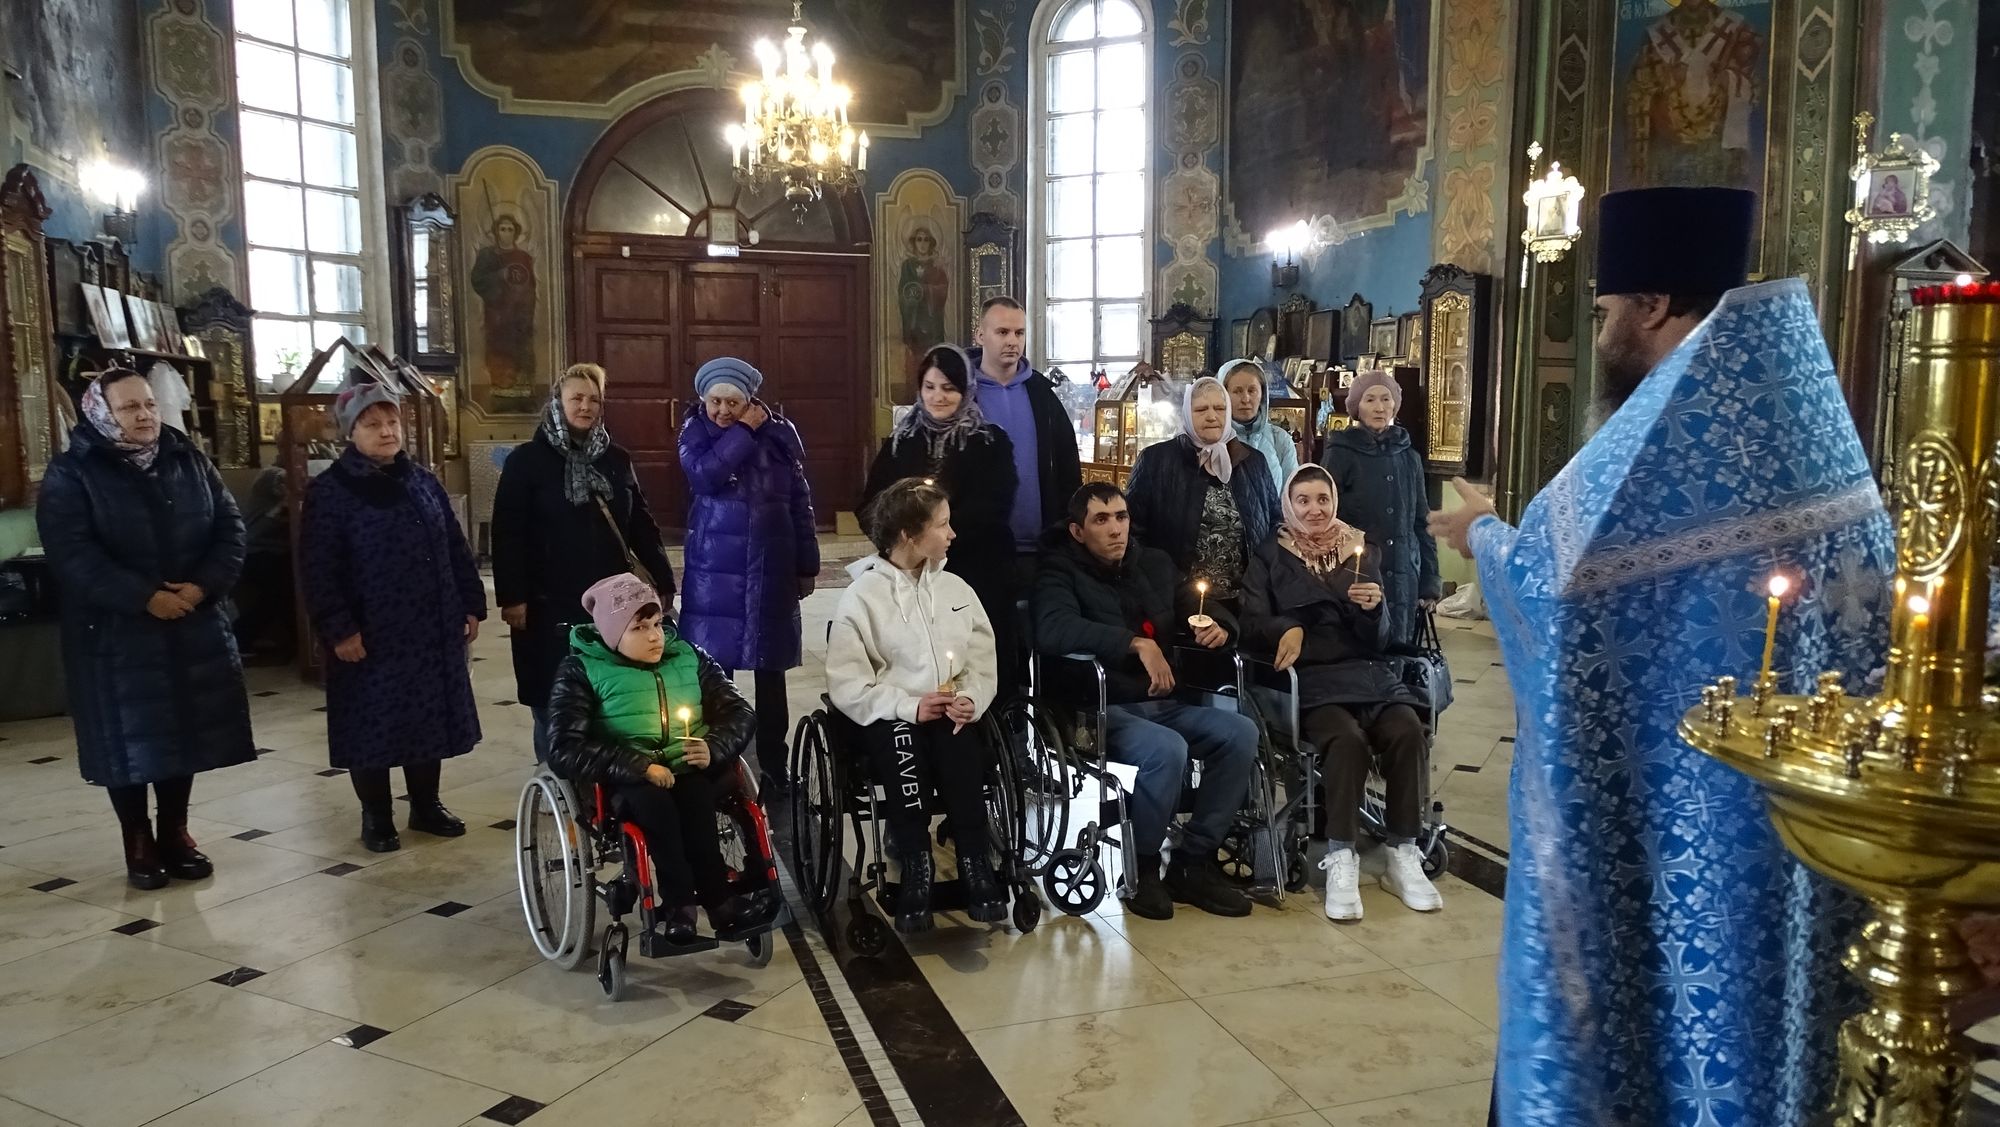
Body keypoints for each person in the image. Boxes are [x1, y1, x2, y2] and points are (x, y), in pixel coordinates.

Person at [1428, 187, 1894, 1126]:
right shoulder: (1796, 407)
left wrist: (1483, 536)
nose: (1599, 332)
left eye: (1604, 311)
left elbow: (1556, 594)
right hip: (1811, 818)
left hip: (1683, 802)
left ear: (1651, 305)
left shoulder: (1671, 430)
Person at [36, 368, 255, 889]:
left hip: (191, 623)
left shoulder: (187, 458)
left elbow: (230, 528)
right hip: (116, 634)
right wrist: (144, 598)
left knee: (184, 732)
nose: (145, 415)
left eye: (150, 404)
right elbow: (72, 554)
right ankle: (137, 839)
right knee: (128, 739)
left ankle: (175, 831)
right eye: (129, 407)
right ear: (100, 414)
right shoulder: (73, 472)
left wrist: (201, 588)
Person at [1033, 482, 1257, 921]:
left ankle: (1194, 860)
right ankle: (1145, 866)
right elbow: (1053, 629)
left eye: (1121, 517)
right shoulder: (1058, 571)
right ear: (1078, 531)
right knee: (1166, 749)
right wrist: (1134, 643)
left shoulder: (1151, 563)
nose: (1116, 529)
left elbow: (1196, 598)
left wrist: (1219, 625)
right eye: (1101, 520)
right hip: (1096, 708)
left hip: (1162, 701)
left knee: (1240, 732)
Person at [1240, 465, 1440, 921]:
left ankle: (1403, 852)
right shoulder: (1271, 556)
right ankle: (1342, 855)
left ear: (1334, 501)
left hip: (1368, 674)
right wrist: (1287, 626)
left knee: (1407, 730)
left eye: (1322, 499)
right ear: (1290, 505)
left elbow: (1380, 640)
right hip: (1311, 681)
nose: (1315, 509)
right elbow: (1251, 622)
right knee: (1346, 740)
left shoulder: (1360, 550)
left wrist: (1373, 612)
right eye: (1304, 500)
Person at [300, 379, 487, 853]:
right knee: (373, 723)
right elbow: (318, 567)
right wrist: (339, 628)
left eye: (391, 422)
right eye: (372, 424)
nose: (386, 432)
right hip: (370, 634)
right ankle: (377, 816)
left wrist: (470, 603)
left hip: (429, 627)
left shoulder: (421, 480)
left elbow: (454, 546)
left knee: (427, 718)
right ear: (350, 432)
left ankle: (425, 805)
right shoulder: (330, 491)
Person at [545, 573, 774, 940]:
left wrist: (713, 746)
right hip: (625, 774)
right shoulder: (583, 671)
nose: (655, 636)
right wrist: (639, 766)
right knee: (657, 809)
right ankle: (679, 906)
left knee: (697, 800)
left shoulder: (687, 657)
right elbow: (564, 747)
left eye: (656, 624)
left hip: (687, 766)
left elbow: (739, 712)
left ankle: (719, 902)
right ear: (612, 634)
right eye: (639, 628)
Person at [827, 478, 1006, 934]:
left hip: (950, 710)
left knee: (961, 747)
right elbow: (848, 684)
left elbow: (982, 662)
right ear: (909, 534)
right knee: (901, 750)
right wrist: (907, 706)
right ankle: (915, 867)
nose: (952, 534)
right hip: (892, 715)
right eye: (942, 525)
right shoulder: (862, 598)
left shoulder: (956, 590)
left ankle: (975, 862)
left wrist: (970, 698)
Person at [493, 362, 675, 761]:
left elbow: (641, 524)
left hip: (612, 601)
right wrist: (512, 596)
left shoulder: (616, 459)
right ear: (557, 402)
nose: (585, 406)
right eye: (576, 398)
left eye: (594, 400)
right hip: (548, 600)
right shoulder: (526, 461)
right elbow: (508, 532)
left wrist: (663, 580)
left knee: (608, 689)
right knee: (554, 695)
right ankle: (556, 772)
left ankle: (605, 775)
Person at [678, 357, 819, 794]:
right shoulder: (695, 433)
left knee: (771, 675)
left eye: (733, 402)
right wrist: (743, 431)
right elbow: (705, 476)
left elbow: (800, 503)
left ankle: (775, 765)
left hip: (770, 571)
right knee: (715, 675)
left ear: (750, 400)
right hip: (715, 575)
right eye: (715, 401)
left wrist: (807, 564)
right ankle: (719, 763)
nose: (723, 410)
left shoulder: (779, 434)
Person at [861, 344, 1018, 689]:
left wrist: (936, 538)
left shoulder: (990, 442)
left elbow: (994, 506)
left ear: (965, 389)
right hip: (910, 574)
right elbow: (872, 506)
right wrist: (903, 545)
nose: (938, 397)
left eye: (948, 388)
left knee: (977, 662)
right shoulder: (901, 442)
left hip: (977, 569)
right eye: (929, 387)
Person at [1125, 376, 1281, 614]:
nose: (1211, 416)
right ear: (1187, 414)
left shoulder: (1253, 462)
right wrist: (1164, 583)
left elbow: (1274, 524)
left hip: (1246, 602)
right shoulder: (1156, 461)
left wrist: (1261, 581)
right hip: (1179, 603)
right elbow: (1133, 531)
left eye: (1219, 408)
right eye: (1201, 409)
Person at [967, 297, 1082, 586]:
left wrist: (1066, 525)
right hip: (977, 547)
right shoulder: (961, 394)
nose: (1012, 341)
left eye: (1019, 333)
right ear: (980, 335)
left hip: (1042, 545)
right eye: (1002, 332)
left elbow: (1068, 465)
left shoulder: (1042, 393)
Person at [1322, 368, 1440, 646]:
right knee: (1363, 646)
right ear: (1357, 407)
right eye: (1370, 399)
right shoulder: (1340, 454)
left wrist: (1429, 581)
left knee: (1402, 648)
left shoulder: (1409, 457)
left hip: (1404, 573)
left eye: (1386, 399)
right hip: (1358, 571)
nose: (1379, 407)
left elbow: (1422, 521)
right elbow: (1327, 518)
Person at [1220, 357, 1298, 495]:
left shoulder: (1280, 439)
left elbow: (1293, 493)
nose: (1245, 399)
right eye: (1237, 391)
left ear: (1262, 395)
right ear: (1223, 395)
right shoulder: (1215, 439)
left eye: (1252, 391)